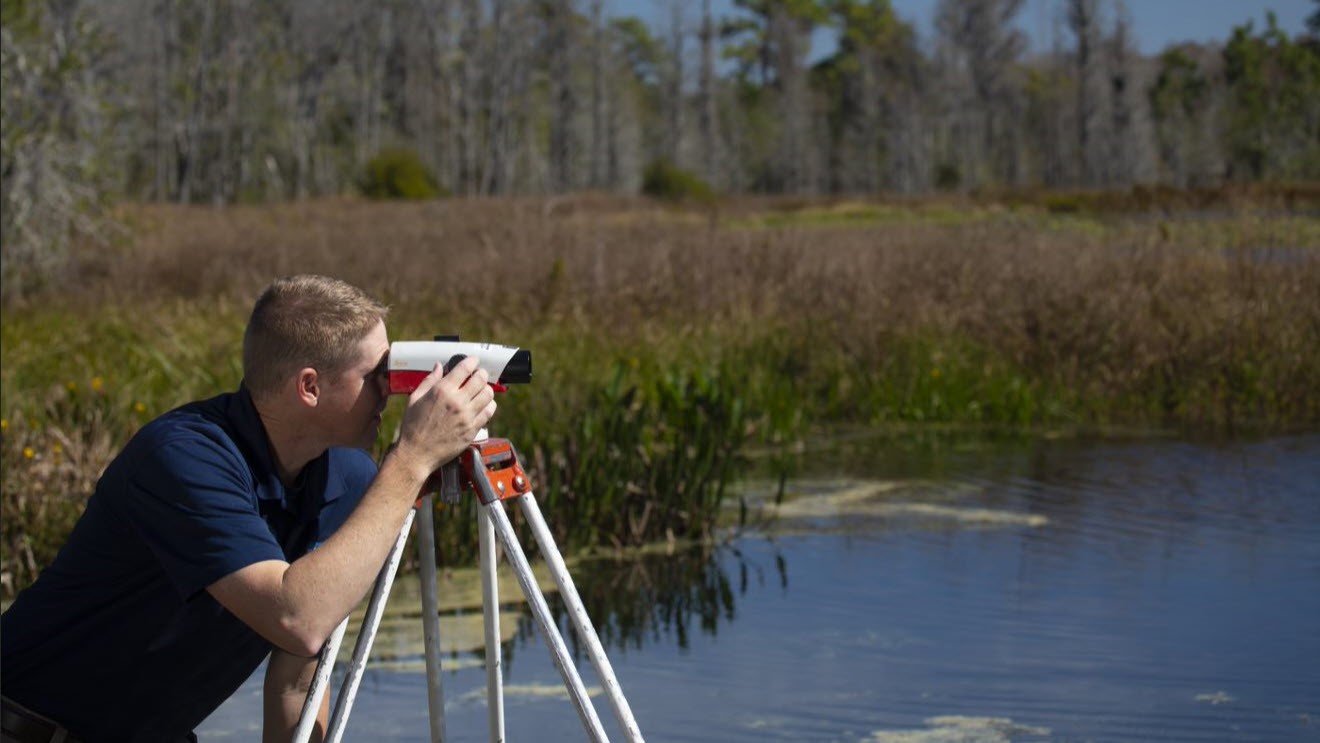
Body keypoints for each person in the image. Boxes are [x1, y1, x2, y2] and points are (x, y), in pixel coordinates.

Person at [1, 274, 497, 743]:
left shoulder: (348, 478)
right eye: (374, 375)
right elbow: (297, 617)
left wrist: (407, 467)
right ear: (309, 387)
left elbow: (297, 682)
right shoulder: (183, 458)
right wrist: (411, 460)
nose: (391, 389)